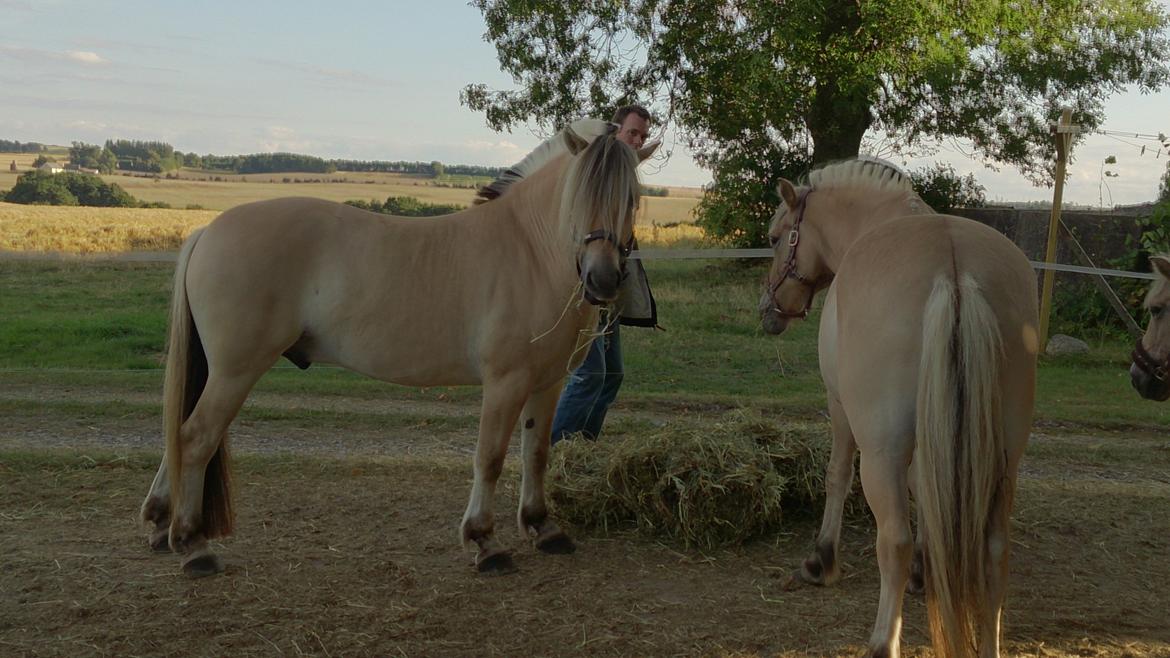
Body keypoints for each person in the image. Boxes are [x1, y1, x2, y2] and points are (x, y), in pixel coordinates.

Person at [550, 104, 659, 445]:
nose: (638, 141)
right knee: (590, 374)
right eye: (632, 133)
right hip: (583, 289)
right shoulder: (593, 173)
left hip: (608, 293)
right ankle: (555, 451)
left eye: (643, 136)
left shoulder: (623, 180)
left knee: (612, 375)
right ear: (615, 131)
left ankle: (583, 446)